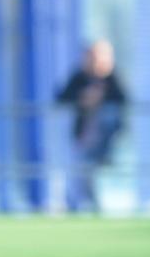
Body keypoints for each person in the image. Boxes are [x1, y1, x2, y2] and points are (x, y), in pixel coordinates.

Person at [54, 39, 127, 214]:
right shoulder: (79, 77)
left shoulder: (112, 79)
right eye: (91, 56)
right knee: (82, 170)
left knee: (96, 169)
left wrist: (101, 97)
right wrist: (82, 98)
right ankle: (84, 205)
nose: (94, 60)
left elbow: (123, 100)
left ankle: (101, 202)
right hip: (83, 136)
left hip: (106, 139)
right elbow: (61, 98)